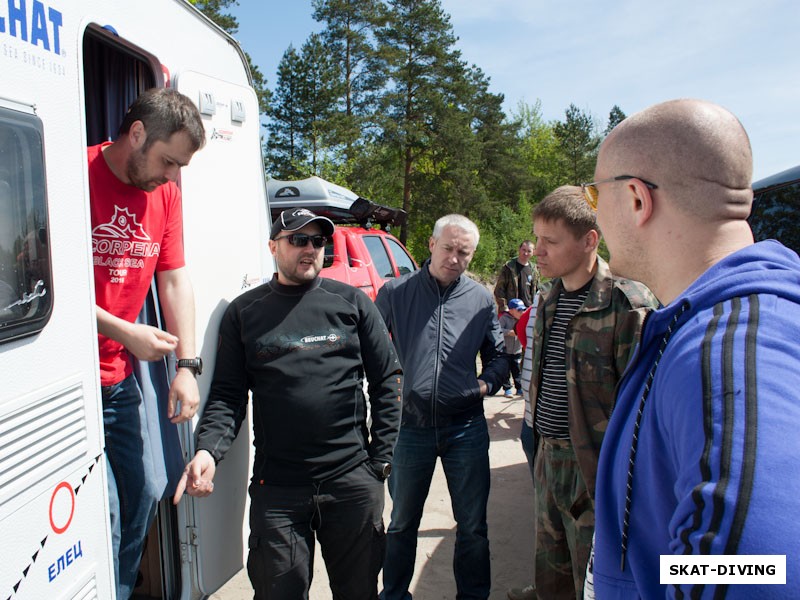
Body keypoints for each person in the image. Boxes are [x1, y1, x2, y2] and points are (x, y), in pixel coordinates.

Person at [588, 99, 800, 598]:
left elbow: (759, 569)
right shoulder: (712, 327)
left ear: (638, 199)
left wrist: (660, 575)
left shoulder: (732, 345)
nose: (593, 209)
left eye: (596, 194)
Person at [175, 208, 403, 599]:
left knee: (359, 592)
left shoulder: (351, 303)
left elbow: (389, 379)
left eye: (318, 241)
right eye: (299, 239)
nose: (311, 248)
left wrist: (379, 461)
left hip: (350, 481)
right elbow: (228, 396)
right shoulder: (244, 313)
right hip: (278, 487)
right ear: (273, 247)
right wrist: (208, 450)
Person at [89, 87, 206, 599]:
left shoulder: (166, 194)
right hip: (74, 381)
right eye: (167, 161)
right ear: (136, 133)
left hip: (118, 382)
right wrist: (123, 331)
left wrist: (187, 365)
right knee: (104, 513)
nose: (170, 175)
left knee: (145, 496)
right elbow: (43, 287)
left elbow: (174, 281)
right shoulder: (72, 174)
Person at [521, 186, 655, 600]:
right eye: (537, 239)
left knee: (595, 581)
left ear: (589, 240)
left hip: (596, 470)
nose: (538, 250)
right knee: (551, 572)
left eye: (551, 241)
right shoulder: (547, 299)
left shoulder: (627, 305)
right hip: (549, 457)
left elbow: (645, 409)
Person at [375, 214, 509, 600]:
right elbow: (368, 350)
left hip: (465, 428)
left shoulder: (481, 300)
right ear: (431, 245)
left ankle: (472, 595)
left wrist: (484, 385)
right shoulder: (395, 293)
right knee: (401, 523)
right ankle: (395, 595)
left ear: (472, 255)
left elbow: (499, 356)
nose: (454, 257)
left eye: (463, 252)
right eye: (448, 247)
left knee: (472, 526)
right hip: (409, 429)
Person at [494, 240, 538, 312]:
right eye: (523, 250)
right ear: (519, 249)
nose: (526, 253)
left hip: (528, 311)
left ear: (533, 253)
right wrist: (504, 307)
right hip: (511, 311)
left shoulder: (534, 270)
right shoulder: (509, 267)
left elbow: (537, 291)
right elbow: (499, 290)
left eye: (529, 251)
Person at [499, 297, 526, 397]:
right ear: (511, 310)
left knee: (517, 370)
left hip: (517, 350)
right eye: (519, 310)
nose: (521, 312)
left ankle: (519, 388)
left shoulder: (523, 319)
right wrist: (508, 332)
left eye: (523, 310)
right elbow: (498, 330)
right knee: (506, 371)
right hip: (505, 350)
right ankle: (507, 389)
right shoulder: (504, 318)